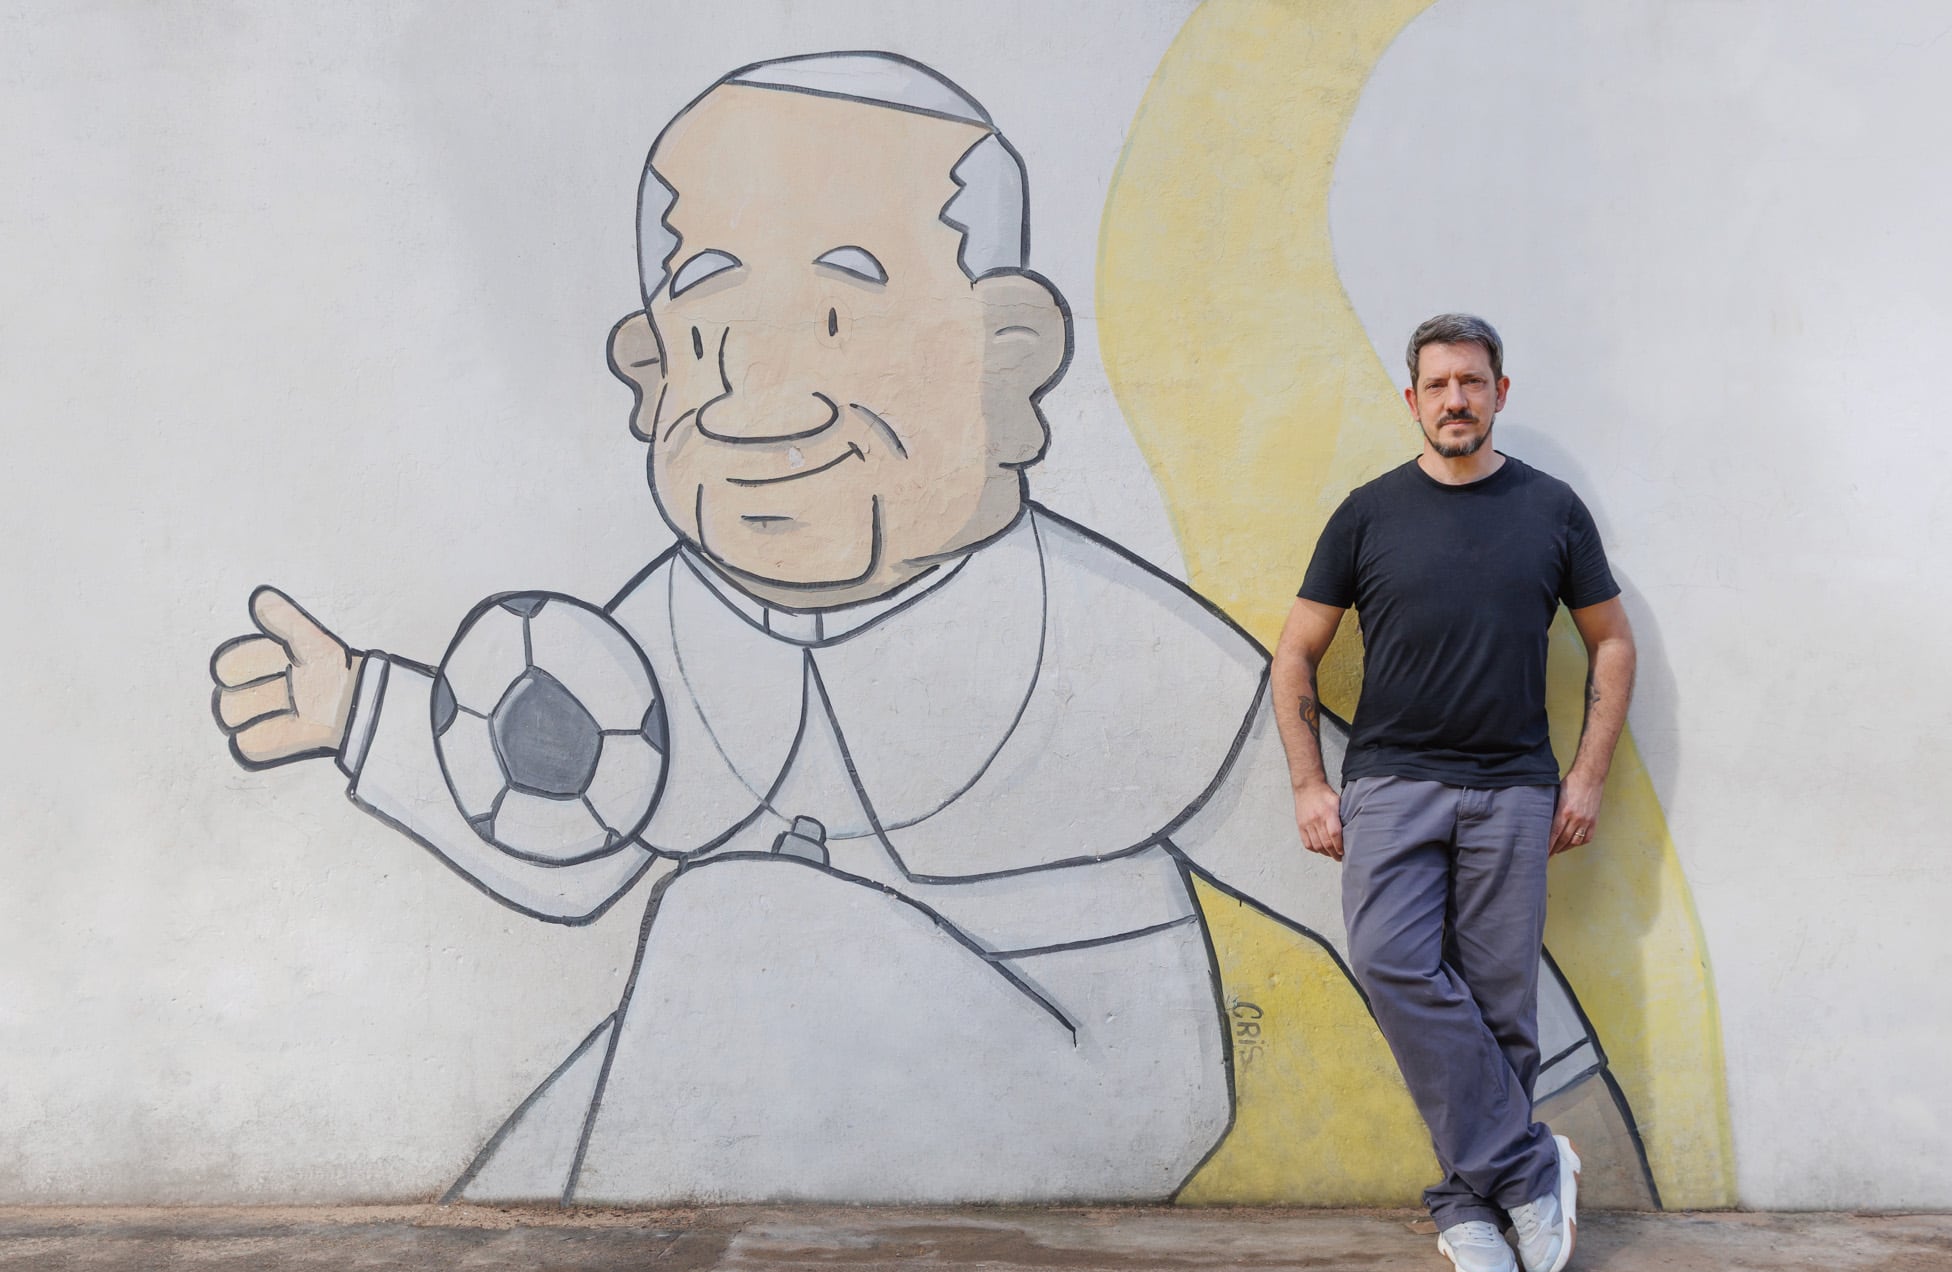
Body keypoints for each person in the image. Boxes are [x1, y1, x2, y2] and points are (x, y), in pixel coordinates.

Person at [208, 54, 1631, 1208]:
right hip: (790, 1030)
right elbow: (579, 859)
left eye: (840, 319)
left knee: (729, 925)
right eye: (709, 334)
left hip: (1087, 1047)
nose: (759, 388)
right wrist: (372, 715)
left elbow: (1311, 861)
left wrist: (1588, 1131)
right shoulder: (658, 637)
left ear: (1008, 361)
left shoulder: (1098, 630)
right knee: (604, 1068)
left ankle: (1511, 1182)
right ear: (649, 374)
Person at [1272, 313, 1637, 1272]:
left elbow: (1610, 639)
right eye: (1435, 385)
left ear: (1498, 393)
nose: (1454, 400)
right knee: (1389, 960)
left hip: (1512, 789)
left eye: (1470, 382)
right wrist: (1309, 781)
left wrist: (1587, 772)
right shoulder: (1366, 512)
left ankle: (1468, 1204)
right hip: (1389, 782)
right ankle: (1526, 1162)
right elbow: (1295, 651)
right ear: (1410, 400)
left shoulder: (1550, 510)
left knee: (1498, 1008)